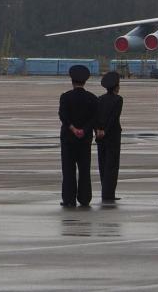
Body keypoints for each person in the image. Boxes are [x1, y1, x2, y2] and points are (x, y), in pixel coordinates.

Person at [58, 64, 99, 207]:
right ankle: (85, 197)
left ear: (72, 80)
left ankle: (69, 199)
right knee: (84, 170)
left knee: (68, 170)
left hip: (68, 139)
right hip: (85, 139)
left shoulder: (65, 97)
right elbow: (95, 118)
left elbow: (63, 115)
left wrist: (73, 128)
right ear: (85, 81)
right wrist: (84, 130)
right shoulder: (93, 98)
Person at [95, 71, 123, 203]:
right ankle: (109, 193)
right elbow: (113, 118)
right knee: (112, 165)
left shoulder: (99, 99)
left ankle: (104, 191)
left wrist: (98, 130)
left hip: (100, 136)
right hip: (112, 135)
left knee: (102, 163)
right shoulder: (118, 99)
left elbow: (96, 117)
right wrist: (106, 130)